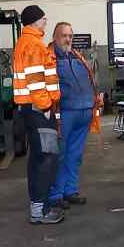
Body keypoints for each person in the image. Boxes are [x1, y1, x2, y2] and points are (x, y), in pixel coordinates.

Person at [12, 5, 64, 225]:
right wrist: (46, 107)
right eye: (43, 18)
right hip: (38, 110)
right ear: (34, 21)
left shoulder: (27, 42)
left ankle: (39, 207)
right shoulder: (33, 45)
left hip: (32, 110)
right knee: (46, 158)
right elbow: (35, 82)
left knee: (39, 157)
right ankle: (39, 211)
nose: (46, 21)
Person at [48, 23, 102, 209]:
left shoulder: (77, 56)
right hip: (64, 114)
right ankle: (56, 194)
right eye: (64, 35)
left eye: (70, 35)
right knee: (60, 155)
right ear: (55, 37)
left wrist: (95, 100)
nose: (68, 39)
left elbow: (89, 80)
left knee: (75, 155)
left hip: (84, 112)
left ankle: (70, 191)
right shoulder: (49, 58)